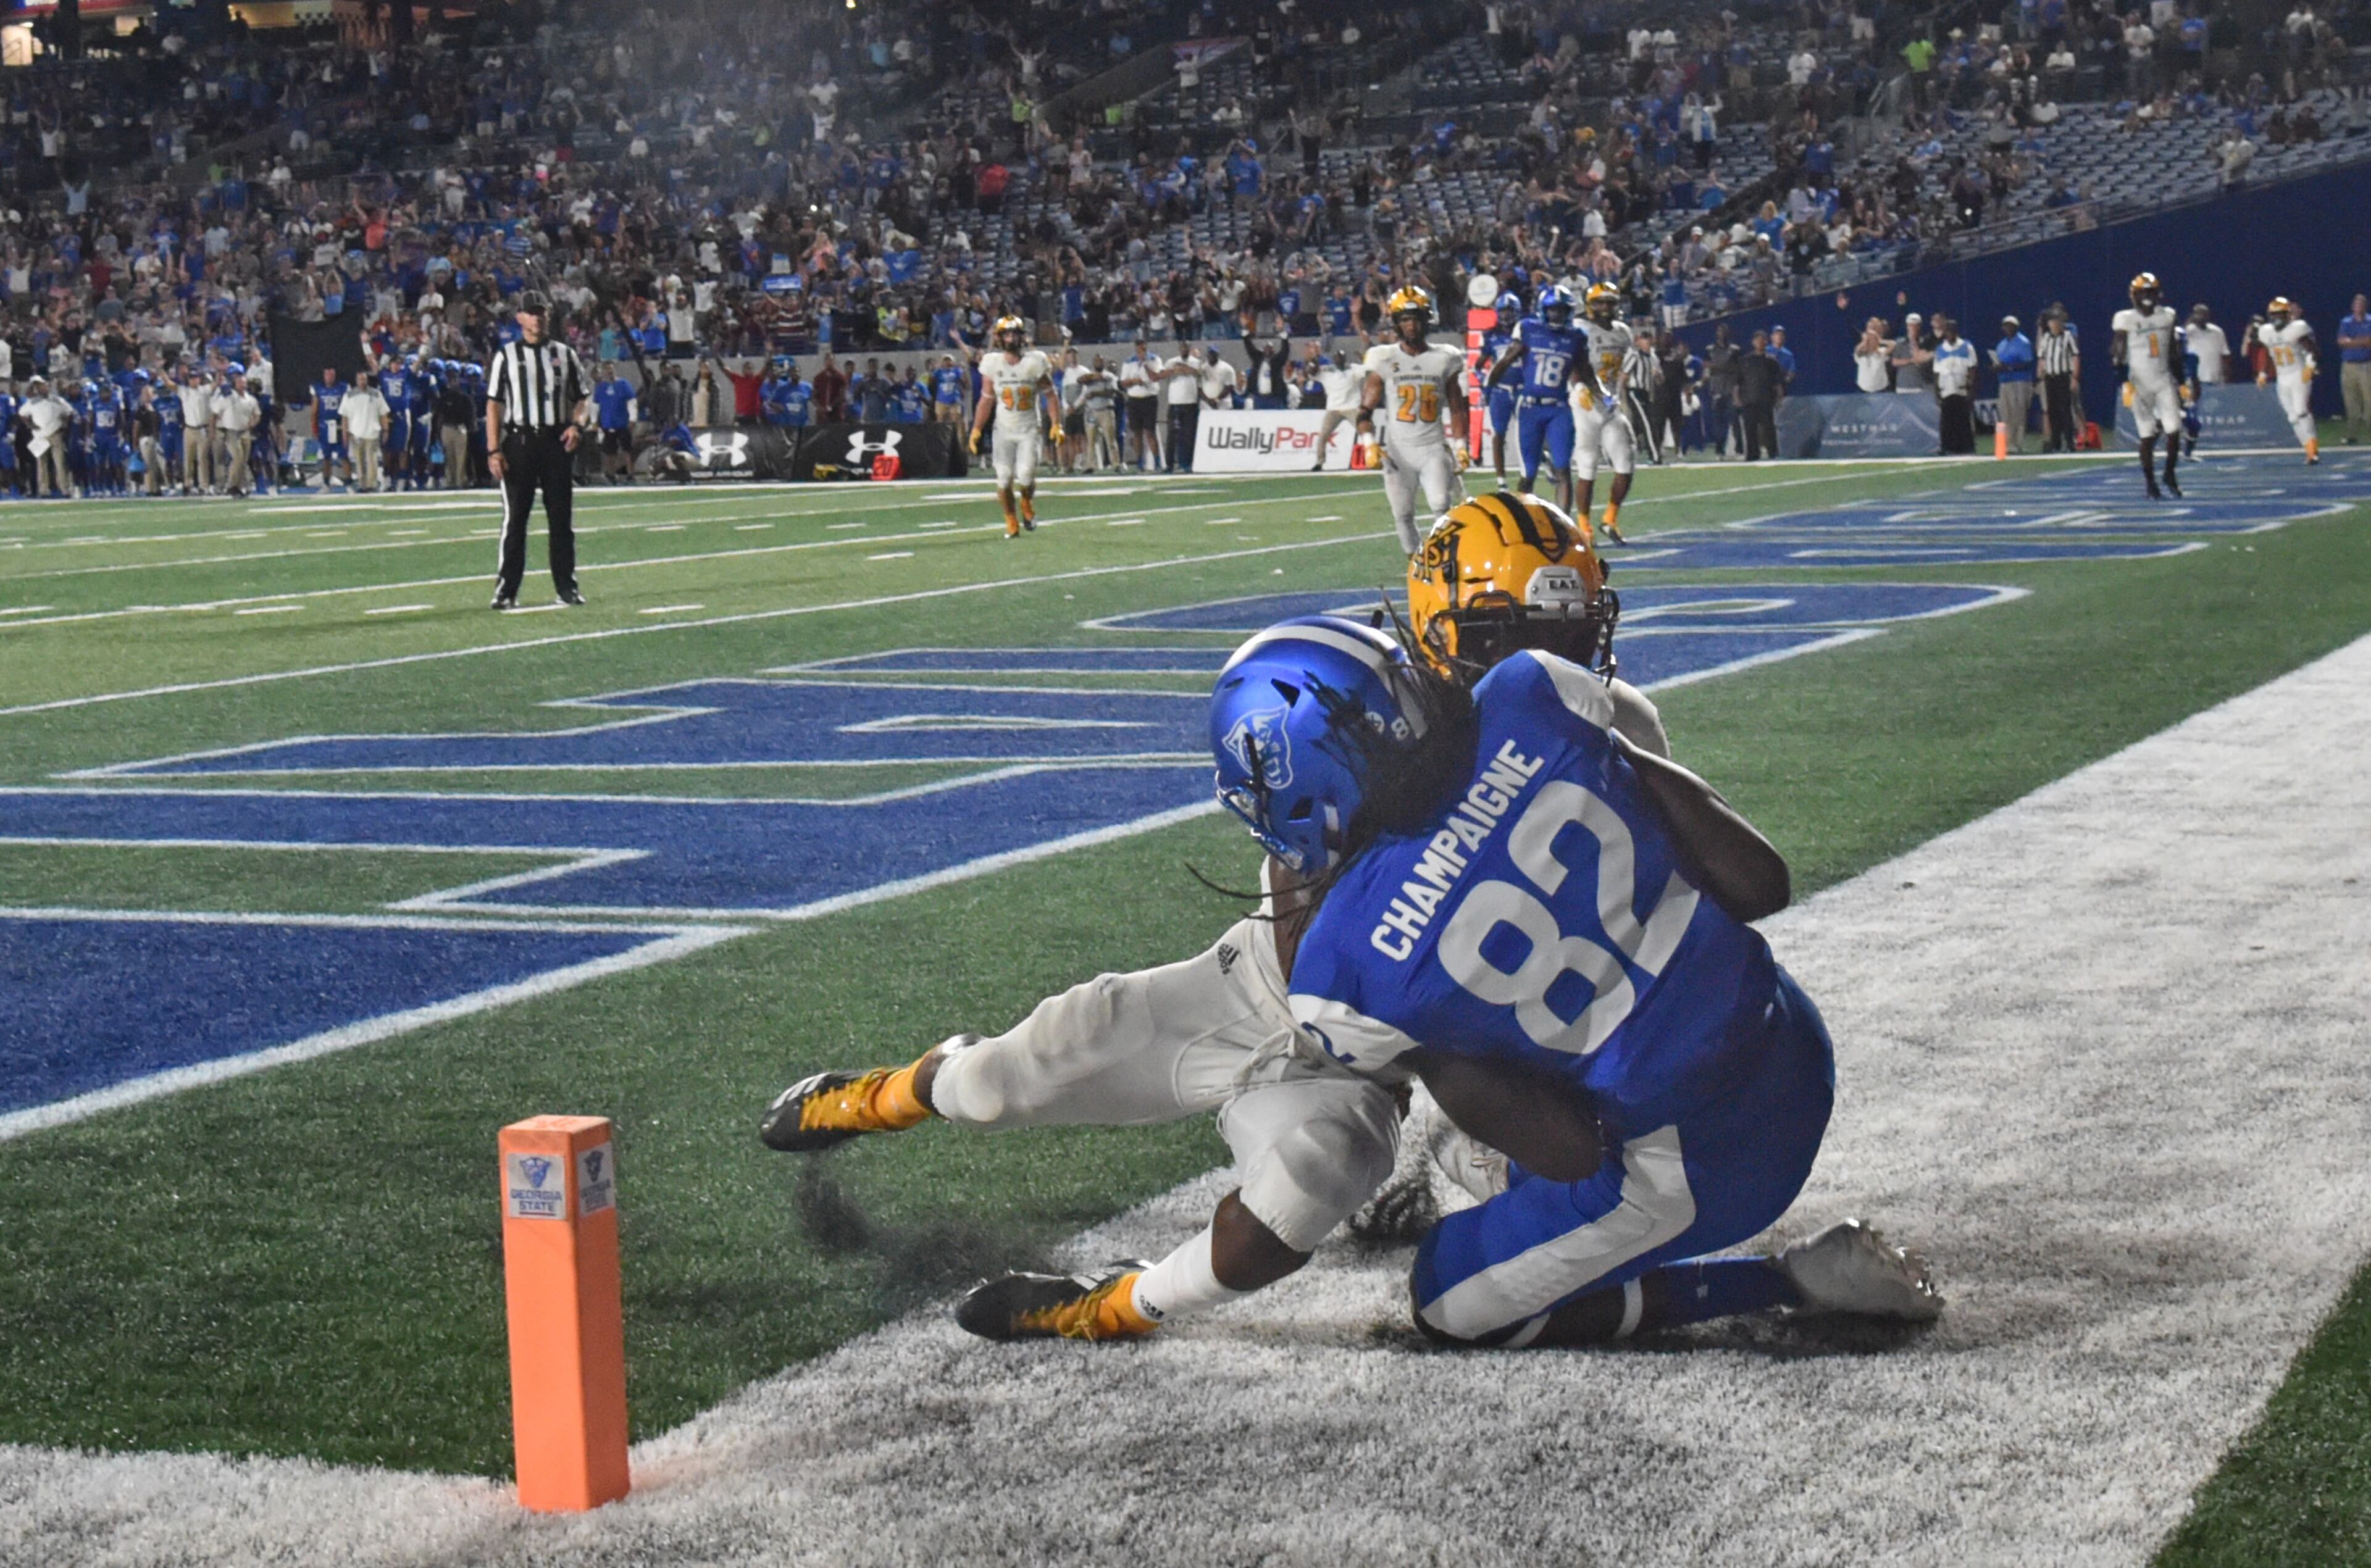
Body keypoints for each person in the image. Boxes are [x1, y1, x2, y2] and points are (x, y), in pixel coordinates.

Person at [762, 495, 1765, 1345]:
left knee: (1314, 1179)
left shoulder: (1610, 720)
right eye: (1522, 640)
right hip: (1284, 996)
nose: (1554, 660)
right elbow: (1309, 950)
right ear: (1441, 633)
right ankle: (889, 1094)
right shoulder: (1351, 711)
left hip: (1454, 1047)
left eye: (1573, 629)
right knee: (1022, 1067)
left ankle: (1109, 1306)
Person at [484, 290, 593, 610]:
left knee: (560, 518)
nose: (538, 317)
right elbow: (493, 405)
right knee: (516, 519)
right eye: (531, 312)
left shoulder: (564, 354)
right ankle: (506, 589)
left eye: (542, 312)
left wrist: (577, 426)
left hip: (555, 442)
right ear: (519, 318)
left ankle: (566, 586)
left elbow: (582, 398)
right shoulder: (507, 356)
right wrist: (493, 450)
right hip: (519, 443)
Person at [1357, 286, 1469, 554]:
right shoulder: (1383, 358)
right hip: (1399, 452)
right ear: (1396, 323)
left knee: (1441, 505)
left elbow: (1457, 408)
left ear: (1426, 319)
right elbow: (1364, 410)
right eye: (1405, 319)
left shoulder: (1445, 357)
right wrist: (1369, 442)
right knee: (1403, 514)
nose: (1411, 325)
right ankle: (1417, 570)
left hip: (1433, 447)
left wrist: (1461, 445)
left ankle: (1446, 562)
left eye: (1416, 318)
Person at [1487, 284, 1583, 513]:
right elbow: (1506, 361)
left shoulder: (1576, 337)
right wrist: (1490, 386)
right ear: (1543, 310)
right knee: (1528, 473)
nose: (1557, 314)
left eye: (1561, 310)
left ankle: (1564, 525)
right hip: (1530, 407)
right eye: (1553, 310)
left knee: (1562, 468)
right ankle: (1523, 521)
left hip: (1559, 408)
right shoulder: (1529, 330)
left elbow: (1584, 372)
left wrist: (1600, 393)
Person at [970, 314, 1054, 539]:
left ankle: (1026, 501)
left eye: (1014, 334)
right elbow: (986, 399)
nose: (1010, 338)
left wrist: (1057, 424)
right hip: (1003, 429)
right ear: (999, 338)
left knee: (1026, 476)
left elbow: (1050, 394)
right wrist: (976, 429)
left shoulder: (1035, 361)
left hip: (1029, 428)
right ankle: (1011, 520)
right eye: (1006, 334)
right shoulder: (992, 363)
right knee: (1004, 478)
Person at [1571, 284, 1637, 540]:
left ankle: (1610, 518)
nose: (1605, 308)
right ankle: (1584, 526)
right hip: (1585, 400)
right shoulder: (1580, 328)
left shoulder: (1623, 332)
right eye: (1600, 303)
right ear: (1590, 304)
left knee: (1626, 460)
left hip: (1609, 402)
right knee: (1588, 464)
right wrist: (1578, 386)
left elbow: (1623, 368)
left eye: (1610, 303)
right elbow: (1572, 360)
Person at [2112, 272, 2184, 496]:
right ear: (2134, 295)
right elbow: (2118, 352)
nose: (2146, 297)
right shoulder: (2126, 319)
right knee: (2147, 433)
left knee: (2174, 430)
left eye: (2150, 292)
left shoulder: (2168, 316)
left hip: (2163, 379)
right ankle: (2150, 482)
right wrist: (2123, 382)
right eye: (2142, 292)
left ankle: (2170, 473)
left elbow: (2173, 351)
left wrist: (2181, 381)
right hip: (2138, 383)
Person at [2255, 297, 2320, 464]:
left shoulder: (2297, 329)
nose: (2277, 318)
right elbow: (2269, 354)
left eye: (2280, 315)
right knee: (2292, 417)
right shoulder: (2266, 331)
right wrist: (2263, 373)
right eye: (2274, 315)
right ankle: (2308, 450)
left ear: (2288, 315)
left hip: (2299, 374)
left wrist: (2310, 366)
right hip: (2282, 377)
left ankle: (2313, 451)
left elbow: (2313, 350)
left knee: (2301, 411)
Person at [1736, 328, 1785, 461]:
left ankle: (1773, 454)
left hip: (1766, 400)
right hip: (1749, 401)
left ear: (1766, 343)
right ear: (1753, 343)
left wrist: (1779, 399)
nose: (1760, 343)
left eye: (1763, 341)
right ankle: (1752, 455)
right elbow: (1737, 383)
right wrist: (1737, 398)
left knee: (1769, 429)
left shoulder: (1772, 361)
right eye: (1758, 341)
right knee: (1750, 430)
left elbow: (1778, 383)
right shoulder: (1745, 361)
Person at [2036, 309, 2081, 451]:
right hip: (2050, 378)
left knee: (2066, 410)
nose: (2055, 324)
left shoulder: (2068, 337)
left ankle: (2070, 442)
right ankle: (2056, 442)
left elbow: (2075, 356)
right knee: (2052, 411)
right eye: (2053, 322)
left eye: (2057, 322)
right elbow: (2042, 357)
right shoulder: (2046, 338)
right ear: (2049, 324)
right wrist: (2040, 375)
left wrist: (2074, 378)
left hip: (2063, 377)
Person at [1931, 317, 1976, 454]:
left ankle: (1966, 447)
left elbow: (1972, 368)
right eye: (1948, 331)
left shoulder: (1966, 347)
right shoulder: (1940, 350)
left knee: (1963, 420)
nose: (1950, 334)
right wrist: (1937, 391)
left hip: (1961, 389)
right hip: (1946, 390)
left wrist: (1971, 389)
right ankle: (1946, 447)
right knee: (1946, 421)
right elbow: (1936, 372)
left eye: (1952, 331)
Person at [215, 370, 262, 497]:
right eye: (240, 383)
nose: (242, 385)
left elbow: (257, 415)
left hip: (245, 432)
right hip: (232, 432)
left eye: (244, 383)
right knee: (238, 458)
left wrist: (252, 424)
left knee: (243, 461)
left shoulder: (251, 399)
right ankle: (232, 485)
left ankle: (242, 486)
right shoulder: (230, 397)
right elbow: (217, 412)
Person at [1991, 317, 2035, 453]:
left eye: (2011, 326)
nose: (2008, 328)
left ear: (2016, 327)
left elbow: (2027, 362)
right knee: (2005, 414)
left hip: (2020, 381)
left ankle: (2018, 443)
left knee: (2019, 412)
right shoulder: (2001, 344)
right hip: (2005, 382)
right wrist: (1997, 367)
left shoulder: (2023, 342)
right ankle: (2006, 444)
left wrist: (2009, 367)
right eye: (2005, 326)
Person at [25, 377, 73, 498]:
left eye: (45, 386)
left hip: (55, 434)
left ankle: (65, 489)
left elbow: (69, 411)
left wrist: (64, 425)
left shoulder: (57, 400)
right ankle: (44, 490)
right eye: (41, 386)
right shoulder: (33, 402)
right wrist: (30, 425)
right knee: (42, 463)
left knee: (60, 463)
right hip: (40, 436)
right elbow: (22, 414)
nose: (43, 388)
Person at [343, 370, 391, 492]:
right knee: (359, 461)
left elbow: (383, 413)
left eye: (364, 379)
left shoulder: (376, 394)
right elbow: (345, 416)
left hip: (372, 431)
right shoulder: (349, 396)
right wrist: (345, 433)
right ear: (356, 380)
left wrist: (385, 429)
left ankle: (372, 484)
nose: (362, 382)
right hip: (356, 432)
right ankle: (362, 484)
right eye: (360, 379)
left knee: (371, 460)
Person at [1161, 344, 1205, 472]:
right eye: (1182, 348)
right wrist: (1174, 370)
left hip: (1190, 402)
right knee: (1172, 435)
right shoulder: (1171, 362)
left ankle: (1186, 464)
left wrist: (1185, 369)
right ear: (1180, 349)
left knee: (1188, 436)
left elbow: (1200, 374)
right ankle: (1169, 465)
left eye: (1186, 348)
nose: (1184, 350)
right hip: (1174, 402)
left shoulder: (1196, 362)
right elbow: (1162, 375)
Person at [593, 361, 638, 483]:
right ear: (603, 371)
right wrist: (595, 422)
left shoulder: (624, 384)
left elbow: (632, 402)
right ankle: (611, 474)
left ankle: (630, 474)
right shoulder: (601, 387)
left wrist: (632, 418)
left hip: (622, 422)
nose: (610, 371)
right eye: (607, 369)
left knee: (626, 450)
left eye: (611, 369)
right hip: (608, 423)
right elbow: (596, 406)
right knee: (609, 451)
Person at [1120, 340, 1162, 471]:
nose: (1141, 352)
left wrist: (1145, 364)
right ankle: (1140, 462)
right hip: (1134, 399)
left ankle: (1157, 462)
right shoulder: (1129, 362)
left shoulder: (1154, 359)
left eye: (1143, 349)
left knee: (1150, 432)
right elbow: (1123, 383)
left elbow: (1156, 377)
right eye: (1139, 349)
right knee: (1137, 433)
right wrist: (1133, 381)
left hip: (1149, 398)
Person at [2337, 294, 2371, 444]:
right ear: (2353, 307)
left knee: (2369, 400)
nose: (2359, 307)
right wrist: (2362, 341)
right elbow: (2341, 342)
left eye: (2362, 304)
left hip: (2366, 365)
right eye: (2357, 304)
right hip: (2349, 365)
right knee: (2350, 401)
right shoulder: (2346, 322)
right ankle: (2352, 435)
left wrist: (2352, 342)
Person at [178, 367, 217, 494]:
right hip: (189, 429)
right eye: (191, 378)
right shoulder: (185, 392)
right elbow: (170, 385)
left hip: (202, 429)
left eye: (195, 378)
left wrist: (220, 371)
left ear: (199, 379)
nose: (193, 381)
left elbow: (216, 384)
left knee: (203, 458)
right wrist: (161, 370)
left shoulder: (204, 391)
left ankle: (203, 485)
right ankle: (187, 484)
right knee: (188, 459)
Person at [311, 365, 349, 490]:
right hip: (325, 426)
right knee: (326, 457)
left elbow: (347, 409)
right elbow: (314, 411)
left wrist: (346, 428)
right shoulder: (318, 389)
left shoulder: (343, 388)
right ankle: (326, 483)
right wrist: (314, 428)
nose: (329, 377)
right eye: (327, 374)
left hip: (339, 425)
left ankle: (348, 483)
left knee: (344, 456)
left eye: (332, 375)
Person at [2183, 304, 2230, 386]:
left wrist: (2226, 377)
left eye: (2204, 314)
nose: (2201, 317)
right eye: (2198, 314)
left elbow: (2225, 354)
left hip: (2215, 379)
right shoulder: (2189, 331)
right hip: (2195, 381)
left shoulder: (2217, 332)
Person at [1854, 319, 1893, 394]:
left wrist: (1880, 340)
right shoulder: (1861, 353)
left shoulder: (1882, 352)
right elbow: (1857, 350)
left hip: (1882, 389)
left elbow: (1893, 344)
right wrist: (1864, 342)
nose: (1871, 340)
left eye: (1874, 328)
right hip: (1863, 390)